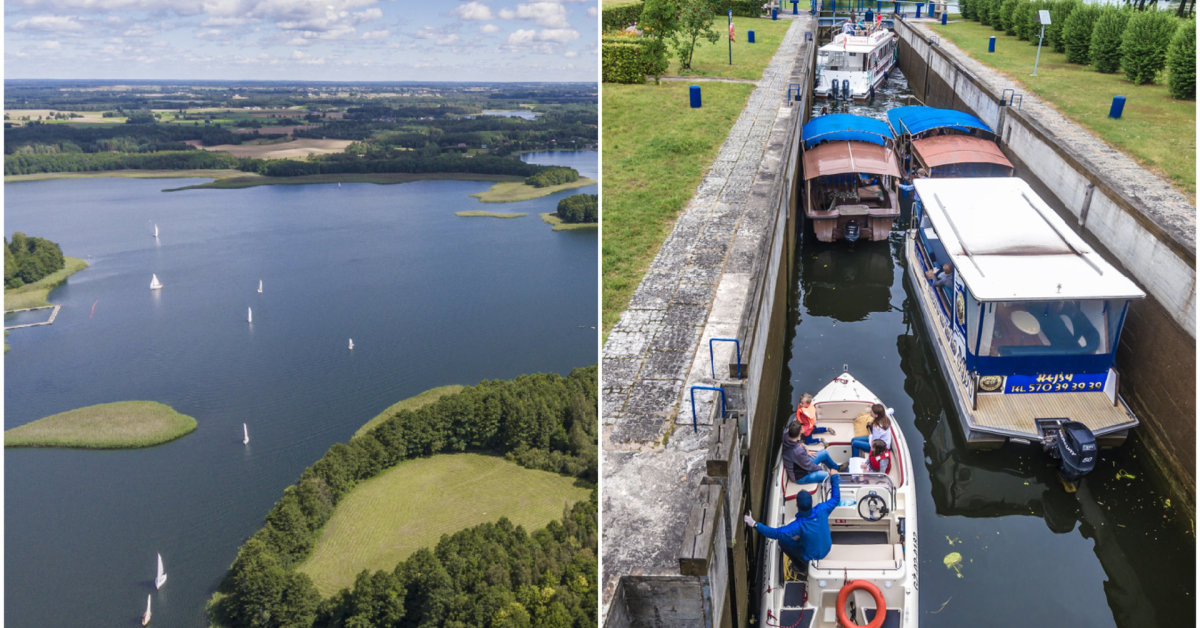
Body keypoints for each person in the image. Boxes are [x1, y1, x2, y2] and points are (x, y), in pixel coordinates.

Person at [745, 473, 842, 567]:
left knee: (782, 541)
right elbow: (835, 498)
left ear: (796, 505)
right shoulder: (822, 509)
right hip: (826, 548)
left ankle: (800, 566)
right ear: (812, 502)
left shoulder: (798, 526)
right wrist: (834, 476)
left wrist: (754, 524)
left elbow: (776, 533)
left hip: (812, 556)